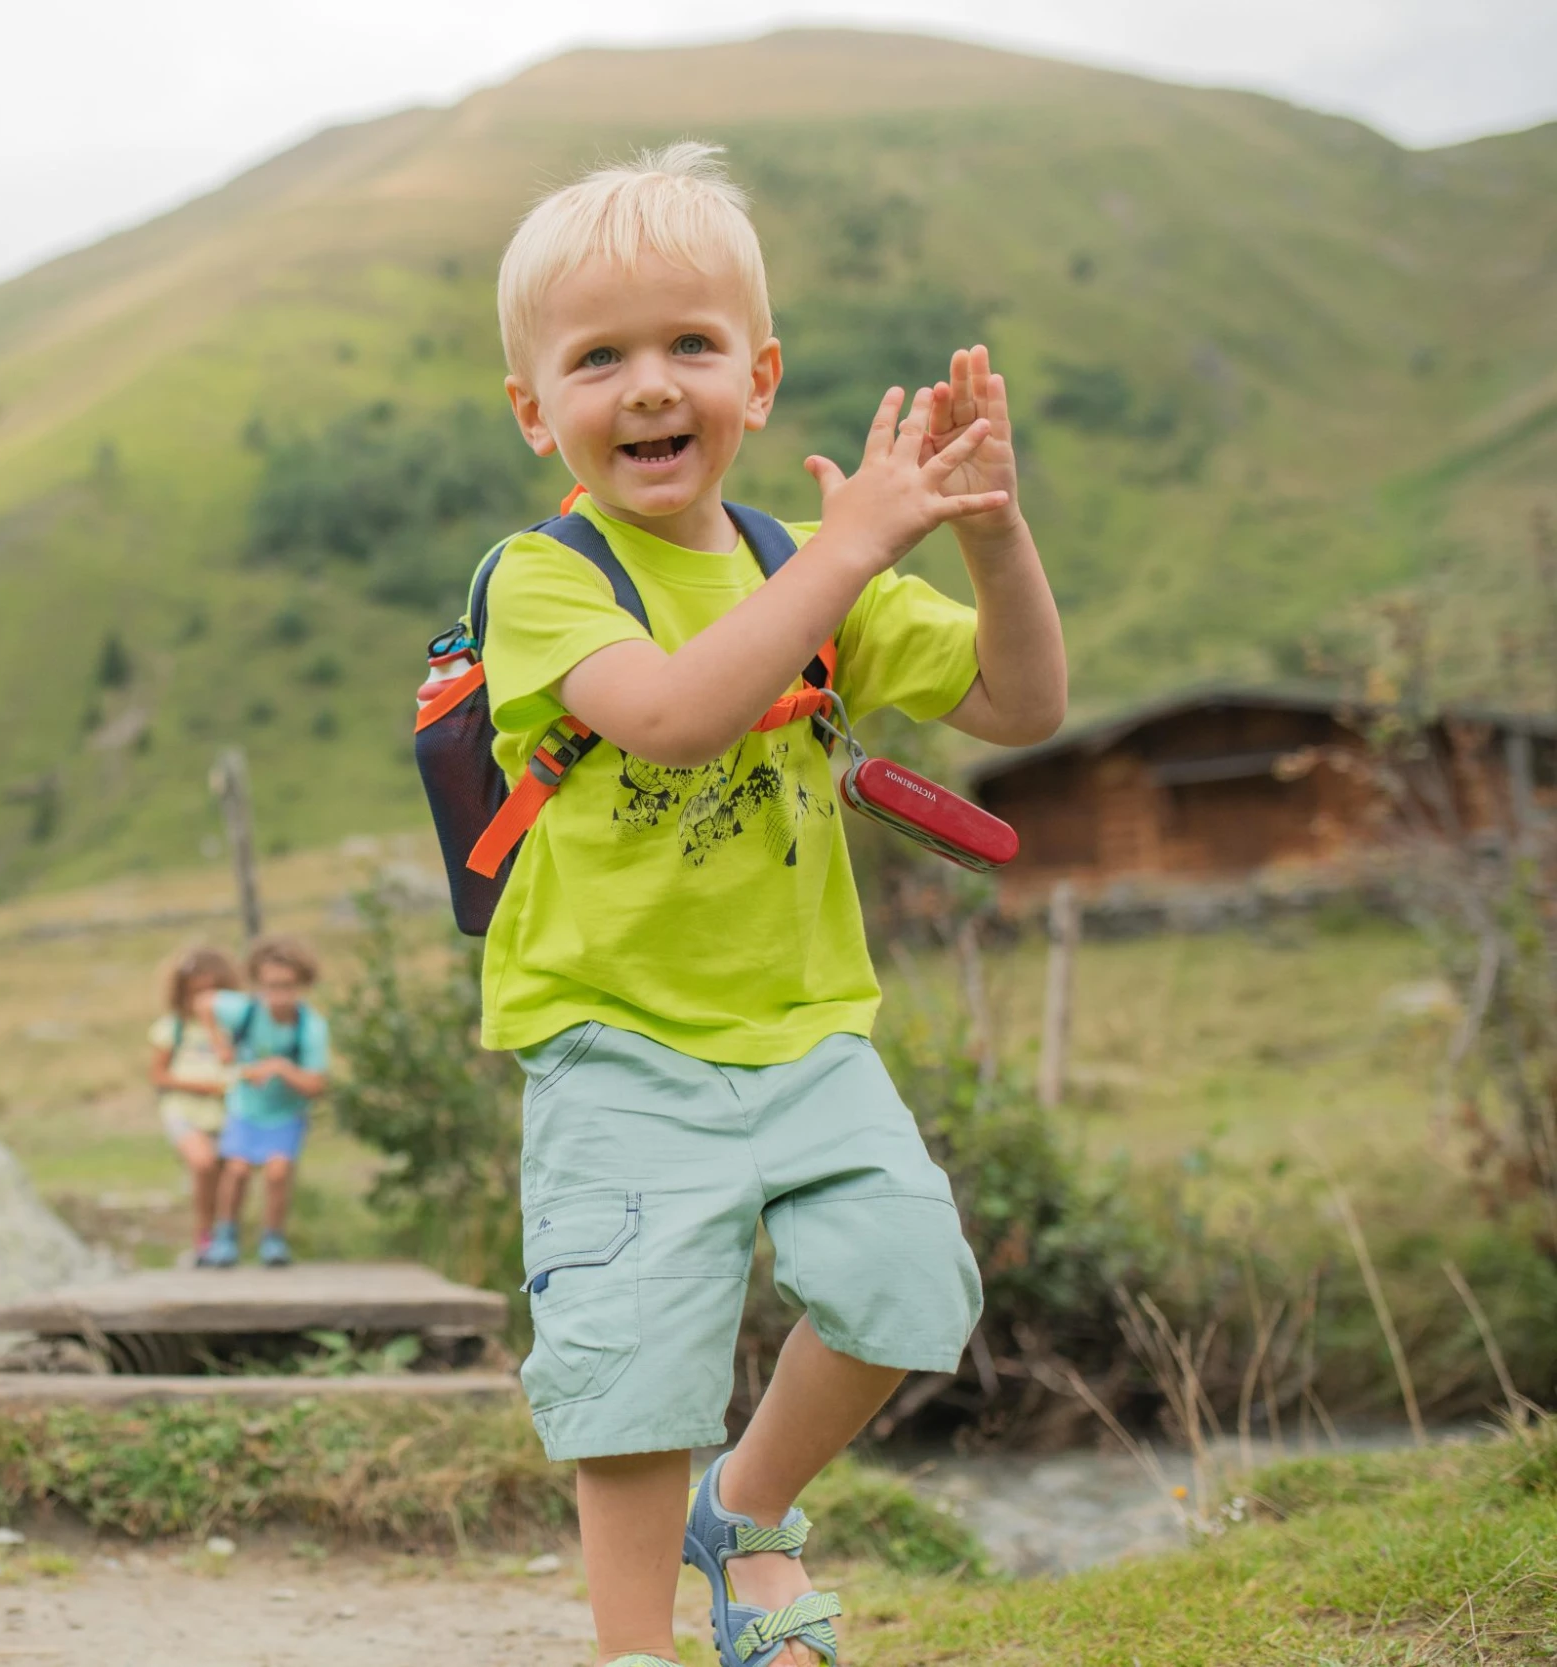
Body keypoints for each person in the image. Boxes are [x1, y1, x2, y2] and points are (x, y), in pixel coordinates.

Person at [482, 145, 1066, 1666]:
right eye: (598, 358)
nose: (652, 385)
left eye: (691, 344)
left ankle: (744, 1510)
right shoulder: (543, 582)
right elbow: (672, 713)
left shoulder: (811, 567)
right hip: (612, 1042)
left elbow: (1021, 699)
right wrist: (859, 545)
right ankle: (633, 1646)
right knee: (631, 1365)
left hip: (808, 1032)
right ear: (538, 412)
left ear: (760, 377)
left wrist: (986, 526)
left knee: (905, 1281)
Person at [197, 935, 330, 1269]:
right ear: (258, 983)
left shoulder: (311, 1027)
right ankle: (225, 1236)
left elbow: (316, 1084)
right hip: (246, 1107)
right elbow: (203, 1003)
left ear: (301, 984)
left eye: (287, 986)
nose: (278, 995)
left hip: (286, 1112)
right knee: (238, 1169)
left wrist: (281, 1068)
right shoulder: (244, 1010)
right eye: (270, 986)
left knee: (277, 1171)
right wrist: (220, 1045)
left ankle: (273, 1239)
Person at [148, 945, 243, 1265]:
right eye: (196, 993)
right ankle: (204, 1234)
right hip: (184, 1110)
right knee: (202, 1163)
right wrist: (202, 1086)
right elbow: (158, 1075)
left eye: (212, 991)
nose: (204, 1000)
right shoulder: (172, 1027)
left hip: (226, 1112)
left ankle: (222, 1236)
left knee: (224, 1174)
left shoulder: (235, 1028)